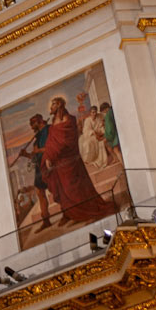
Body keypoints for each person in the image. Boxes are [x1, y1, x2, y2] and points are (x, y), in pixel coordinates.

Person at [40, 93, 105, 224]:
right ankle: (69, 214)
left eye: (52, 104)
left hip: (70, 162)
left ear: (58, 105)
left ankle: (86, 212)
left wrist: (51, 155)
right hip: (59, 164)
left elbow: (66, 141)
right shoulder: (53, 123)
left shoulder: (69, 120)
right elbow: (51, 143)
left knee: (75, 188)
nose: (50, 108)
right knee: (63, 190)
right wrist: (48, 156)